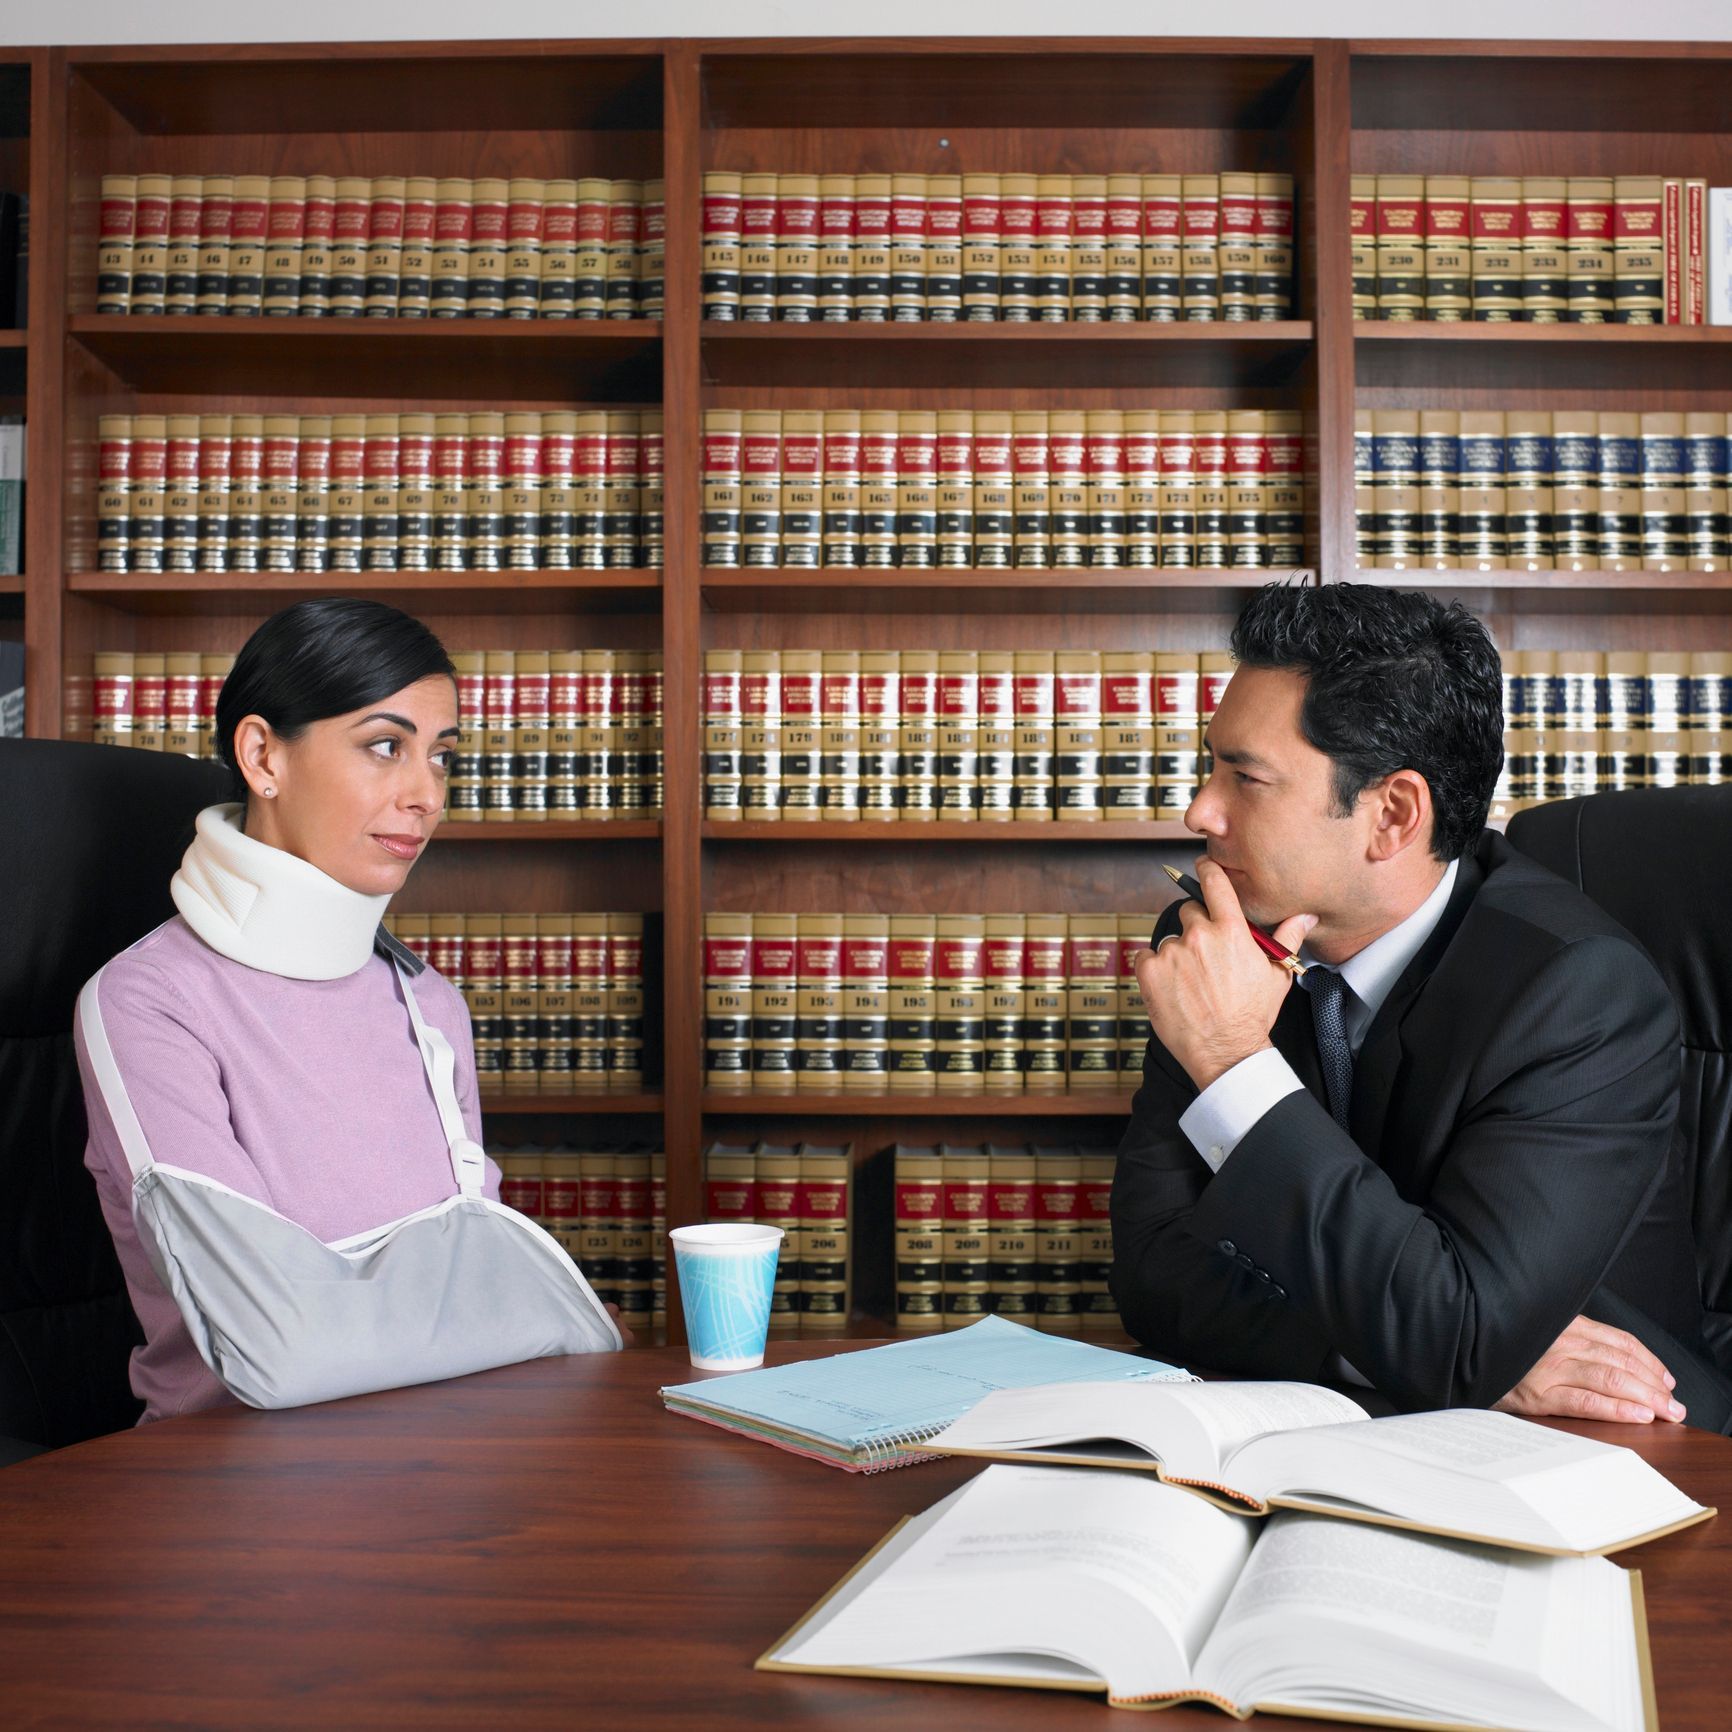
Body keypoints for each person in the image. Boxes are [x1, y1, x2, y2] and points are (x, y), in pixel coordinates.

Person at [1112, 581, 1732, 1432]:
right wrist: (1415, 1349)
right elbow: (1150, 1275)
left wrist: (1232, 1065)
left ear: (1393, 815)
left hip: (1605, 1439)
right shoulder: (1217, 944)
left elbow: (1463, 1339)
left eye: (1244, 778)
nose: (1198, 809)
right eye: (1210, 763)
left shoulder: (1581, 993)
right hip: (1351, 1424)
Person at [75, 597, 622, 1424]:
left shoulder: (429, 1004)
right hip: (222, 1483)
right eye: (384, 746)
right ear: (263, 755)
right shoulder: (146, 1002)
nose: (425, 795)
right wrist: (511, 1311)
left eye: (441, 757)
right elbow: (276, 1346)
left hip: (457, 1453)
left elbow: (564, 1333)